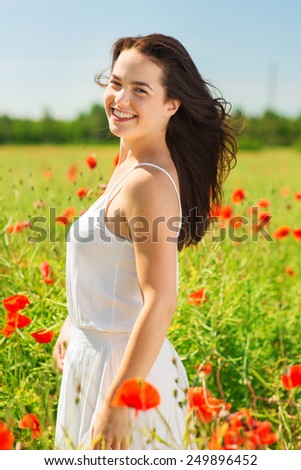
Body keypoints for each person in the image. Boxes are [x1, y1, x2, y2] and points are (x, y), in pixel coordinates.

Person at [53, 33, 237, 450]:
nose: (120, 98)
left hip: (124, 376)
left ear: (171, 105)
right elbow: (113, 268)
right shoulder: (130, 163)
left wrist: (118, 402)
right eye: (117, 83)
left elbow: (160, 298)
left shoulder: (147, 182)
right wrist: (75, 323)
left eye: (140, 90)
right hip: (101, 361)